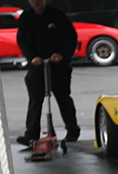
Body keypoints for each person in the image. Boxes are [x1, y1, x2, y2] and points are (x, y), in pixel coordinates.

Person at [16, 0, 80, 146]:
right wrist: (32, 57)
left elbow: (71, 38)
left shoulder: (58, 15)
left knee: (63, 98)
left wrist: (62, 54)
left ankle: (72, 130)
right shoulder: (26, 18)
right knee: (35, 100)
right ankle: (31, 135)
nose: (36, 2)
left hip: (58, 64)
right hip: (37, 65)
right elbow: (22, 40)